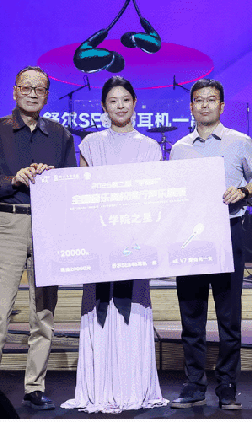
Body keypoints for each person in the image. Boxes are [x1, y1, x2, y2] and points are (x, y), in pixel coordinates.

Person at [0, 65, 77, 412]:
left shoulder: (60, 135)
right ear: (14, 91)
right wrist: (12, 180)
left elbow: (71, 186)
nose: (32, 93)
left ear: (47, 95)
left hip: (48, 225)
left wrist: (53, 178)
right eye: (26, 87)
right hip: (8, 222)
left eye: (39, 89)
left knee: (43, 310)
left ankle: (35, 386)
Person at [62, 76, 168, 414]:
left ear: (135, 103)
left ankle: (132, 385)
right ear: (103, 107)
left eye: (125, 99)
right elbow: (82, 193)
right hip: (99, 241)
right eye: (113, 101)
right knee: (101, 308)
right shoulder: (91, 144)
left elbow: (153, 197)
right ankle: (99, 386)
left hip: (135, 241)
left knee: (131, 308)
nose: (120, 106)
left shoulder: (150, 148)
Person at [167, 79, 252, 410]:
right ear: (191, 107)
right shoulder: (180, 148)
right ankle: (194, 384)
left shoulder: (239, 142)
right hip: (191, 237)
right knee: (191, 314)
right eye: (199, 100)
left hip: (228, 230)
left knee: (228, 315)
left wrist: (243, 191)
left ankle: (227, 386)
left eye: (211, 100)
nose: (205, 105)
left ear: (221, 106)